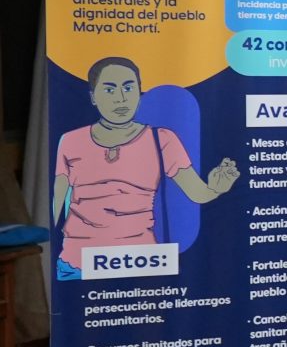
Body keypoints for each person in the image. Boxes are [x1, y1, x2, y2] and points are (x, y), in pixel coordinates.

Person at [53, 55, 241, 275]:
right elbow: (57, 205)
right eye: (109, 90)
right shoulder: (70, 141)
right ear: (93, 97)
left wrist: (216, 187)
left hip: (143, 262)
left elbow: (198, 194)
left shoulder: (162, 139)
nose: (121, 98)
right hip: (77, 264)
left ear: (140, 93)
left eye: (129, 87)